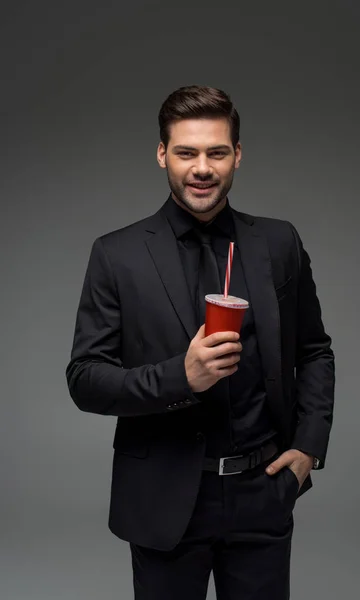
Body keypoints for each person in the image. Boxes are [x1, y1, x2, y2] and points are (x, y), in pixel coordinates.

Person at [66, 85, 335, 600]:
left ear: (237, 155)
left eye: (216, 152)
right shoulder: (117, 254)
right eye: (186, 152)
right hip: (163, 498)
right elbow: (85, 380)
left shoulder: (278, 243)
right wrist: (180, 377)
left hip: (263, 490)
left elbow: (314, 350)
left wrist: (309, 447)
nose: (202, 167)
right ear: (163, 154)